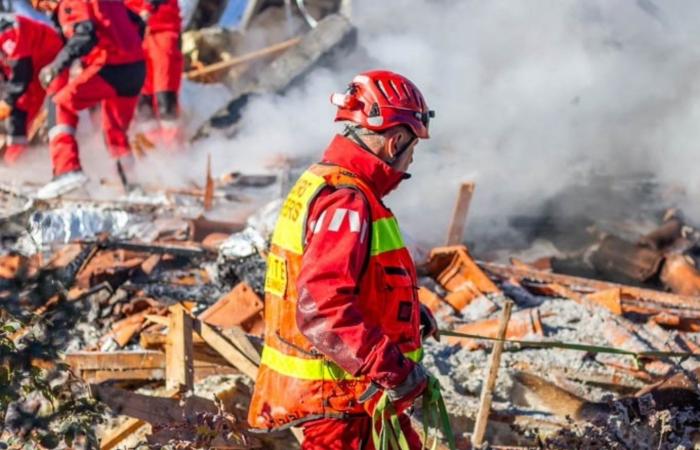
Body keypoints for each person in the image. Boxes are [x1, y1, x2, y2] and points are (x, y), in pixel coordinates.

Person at [247, 70, 439, 449]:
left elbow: (358, 279)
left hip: (356, 400)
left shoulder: (326, 182)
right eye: (412, 150)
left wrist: (407, 315)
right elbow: (323, 305)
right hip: (343, 401)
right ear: (394, 142)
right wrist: (392, 369)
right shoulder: (346, 200)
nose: (409, 164)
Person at [31, 0, 145, 199]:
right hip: (135, 68)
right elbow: (137, 23)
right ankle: (132, 187)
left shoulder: (70, 3)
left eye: (42, 5)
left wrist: (56, 66)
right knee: (115, 132)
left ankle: (67, 170)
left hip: (111, 66)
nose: (47, 10)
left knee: (59, 105)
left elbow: (85, 34)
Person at [0, 13, 62, 165]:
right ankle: (16, 161)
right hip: (27, 68)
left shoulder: (9, 31)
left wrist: (6, 101)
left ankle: (62, 165)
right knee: (19, 112)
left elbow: (21, 74)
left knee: (57, 114)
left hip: (51, 63)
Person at [125, 0, 183, 148]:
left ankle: (175, 150)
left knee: (164, 97)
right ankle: (155, 152)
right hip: (134, 35)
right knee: (143, 102)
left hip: (162, 29)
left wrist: (148, 7)